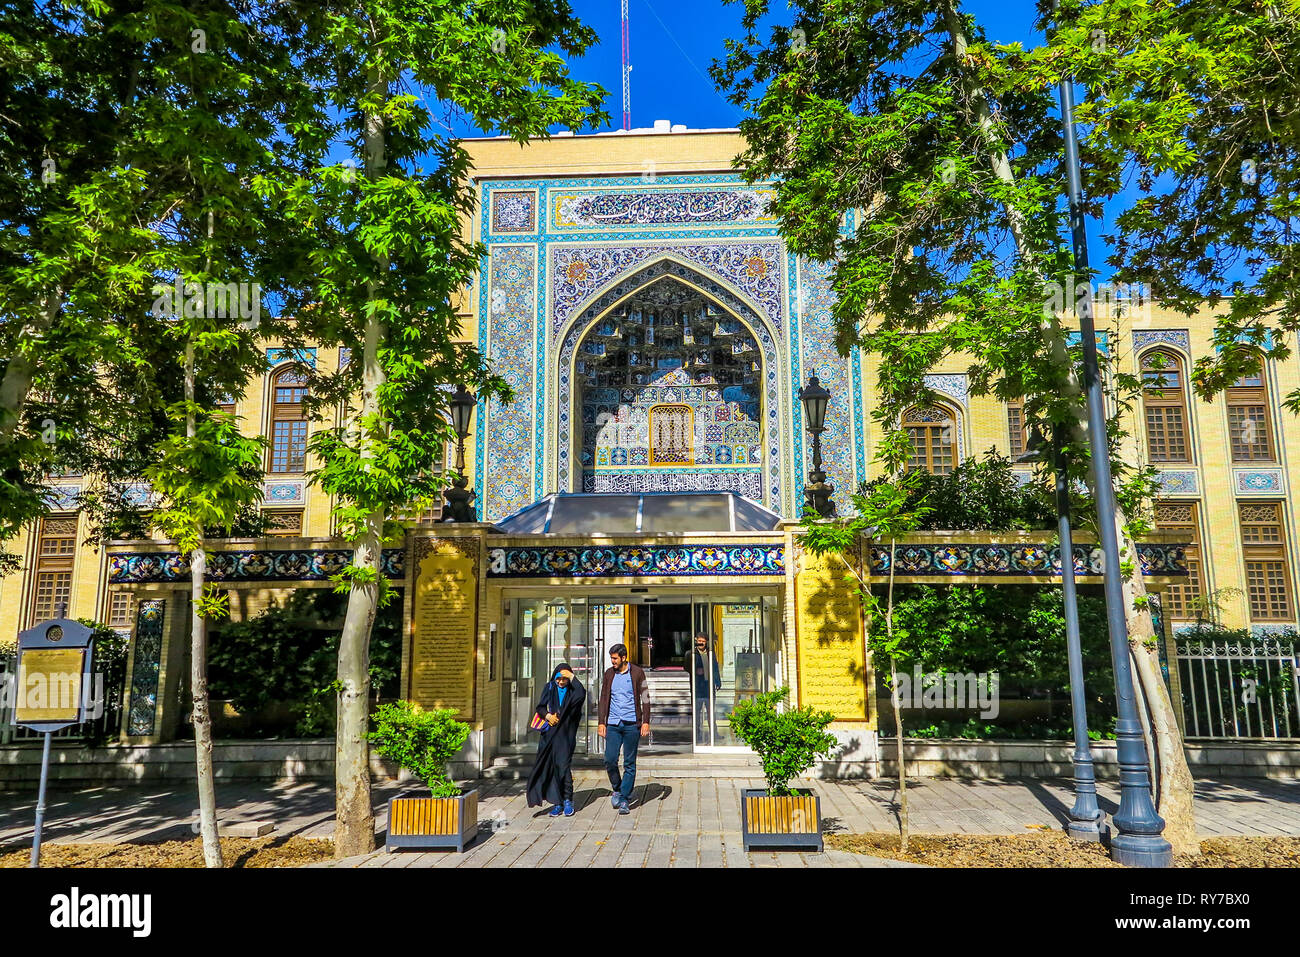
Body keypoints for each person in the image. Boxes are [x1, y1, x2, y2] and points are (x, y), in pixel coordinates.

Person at [526, 663, 586, 817]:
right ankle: (557, 802)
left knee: (563, 767)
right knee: (551, 767)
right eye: (558, 679)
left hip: (565, 735)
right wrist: (547, 716)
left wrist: (572, 677)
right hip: (549, 736)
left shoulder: (573, 691)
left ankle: (567, 800)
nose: (561, 682)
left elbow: (581, 694)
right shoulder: (550, 687)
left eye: (564, 680)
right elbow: (540, 707)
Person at [598, 643, 650, 814]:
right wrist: (601, 722)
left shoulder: (637, 673)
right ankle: (618, 788)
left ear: (623, 657)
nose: (612, 661)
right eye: (611, 658)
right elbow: (604, 698)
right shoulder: (608, 674)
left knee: (629, 762)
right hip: (613, 723)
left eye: (615, 658)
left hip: (631, 724)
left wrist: (645, 721)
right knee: (609, 759)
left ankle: (625, 799)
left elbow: (645, 697)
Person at [691, 632, 722, 743]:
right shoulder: (692, 653)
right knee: (697, 713)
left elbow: (715, 667)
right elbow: (686, 666)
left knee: (710, 712)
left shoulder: (710, 653)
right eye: (699, 641)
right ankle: (696, 734)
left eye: (703, 641)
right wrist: (695, 670)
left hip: (708, 687)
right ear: (696, 641)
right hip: (697, 688)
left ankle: (714, 733)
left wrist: (717, 681)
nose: (701, 643)